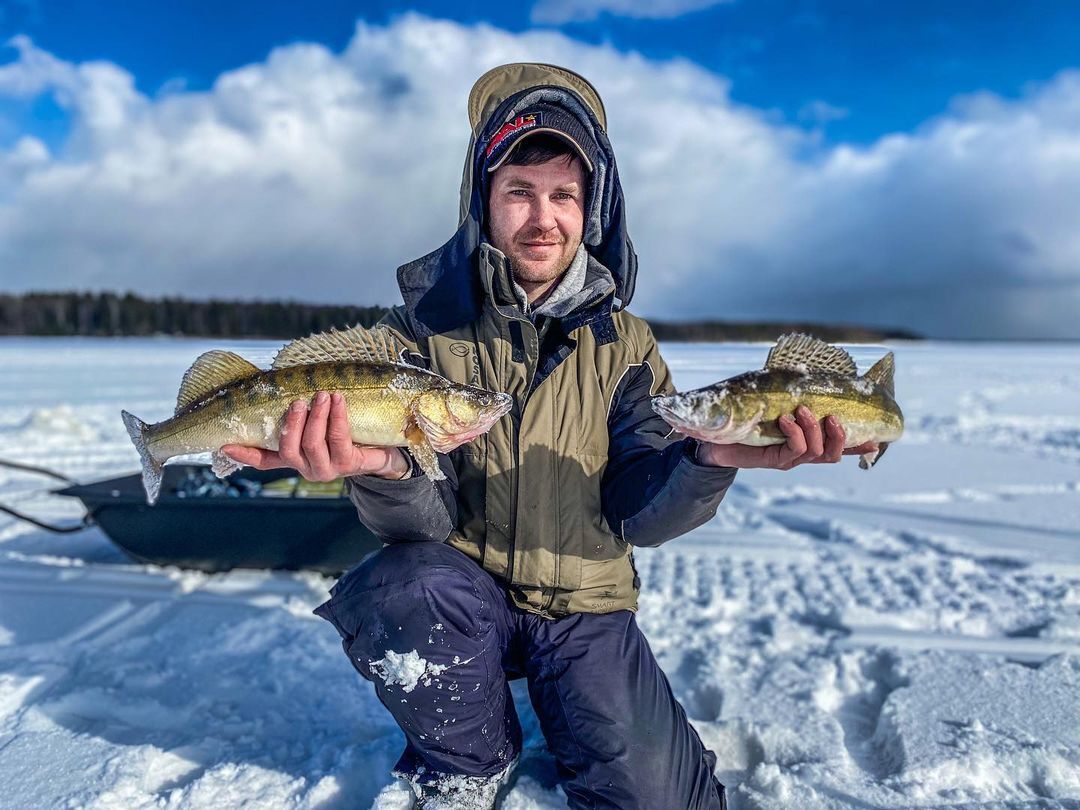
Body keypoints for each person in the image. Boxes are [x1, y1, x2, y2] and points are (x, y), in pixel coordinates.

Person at [223, 63, 877, 810]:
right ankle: (471, 758)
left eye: (564, 195)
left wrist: (711, 456)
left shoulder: (625, 347)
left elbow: (641, 512)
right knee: (403, 584)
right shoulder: (415, 336)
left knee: (660, 800)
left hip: (584, 608)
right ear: (484, 202)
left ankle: (577, 707)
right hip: (464, 598)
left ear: (591, 208)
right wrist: (380, 467)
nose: (544, 218)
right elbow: (423, 524)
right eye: (519, 193)